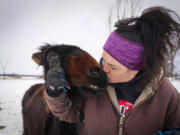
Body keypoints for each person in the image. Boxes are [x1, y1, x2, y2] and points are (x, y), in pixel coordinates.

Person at [45, 6, 180, 135]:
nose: (104, 69)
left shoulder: (166, 94)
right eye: (104, 59)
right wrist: (54, 91)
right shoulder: (93, 82)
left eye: (113, 67)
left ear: (138, 69)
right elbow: (70, 113)